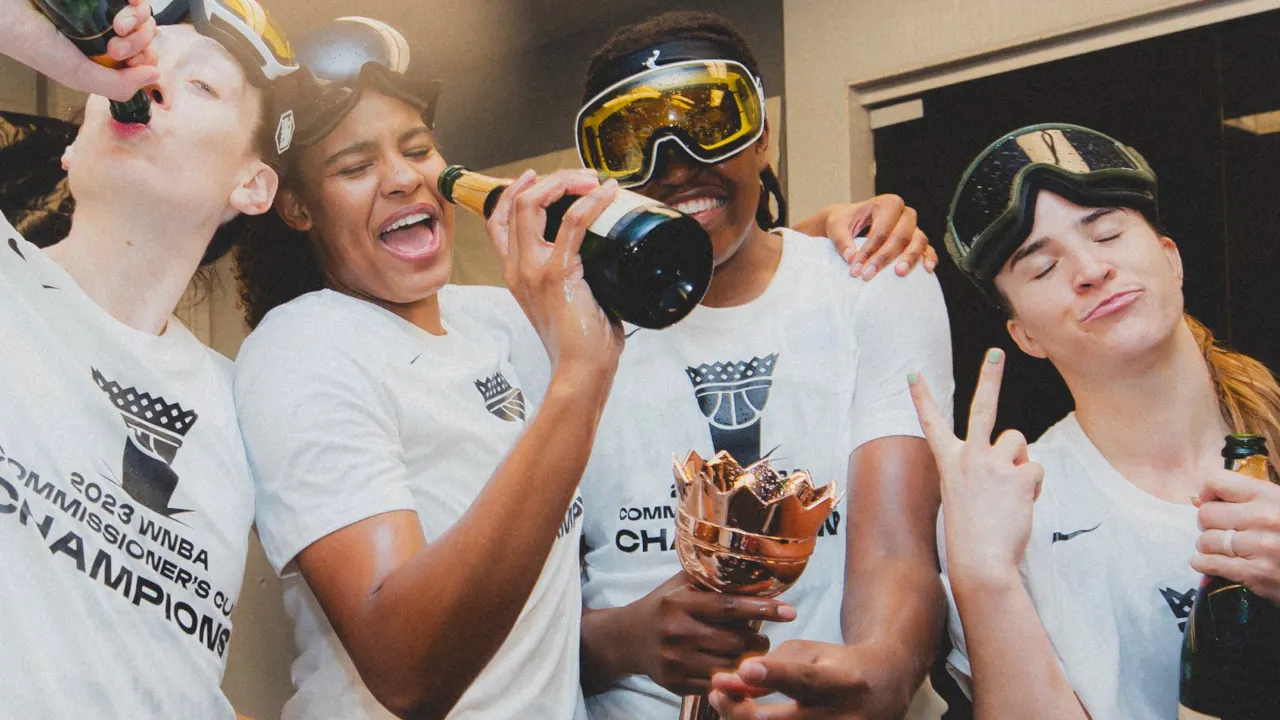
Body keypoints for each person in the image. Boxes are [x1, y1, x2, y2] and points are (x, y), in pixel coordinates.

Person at [542, 12, 954, 720]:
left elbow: (896, 550)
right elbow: (510, 622)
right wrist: (623, 641)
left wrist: (875, 674)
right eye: (630, 141)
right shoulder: (562, 328)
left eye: (709, 122)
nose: (673, 166)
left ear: (765, 133)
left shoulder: (874, 279)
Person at [904, 123, 1280, 719]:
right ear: (1024, 334)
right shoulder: (1018, 508)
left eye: (1107, 232)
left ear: (1170, 259)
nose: (1089, 269)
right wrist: (984, 575)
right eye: (1042, 268)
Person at [0, 2, 296, 716]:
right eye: (139, 66)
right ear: (73, 142)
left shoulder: (248, 406)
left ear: (252, 185)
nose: (155, 83)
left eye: (204, 87)